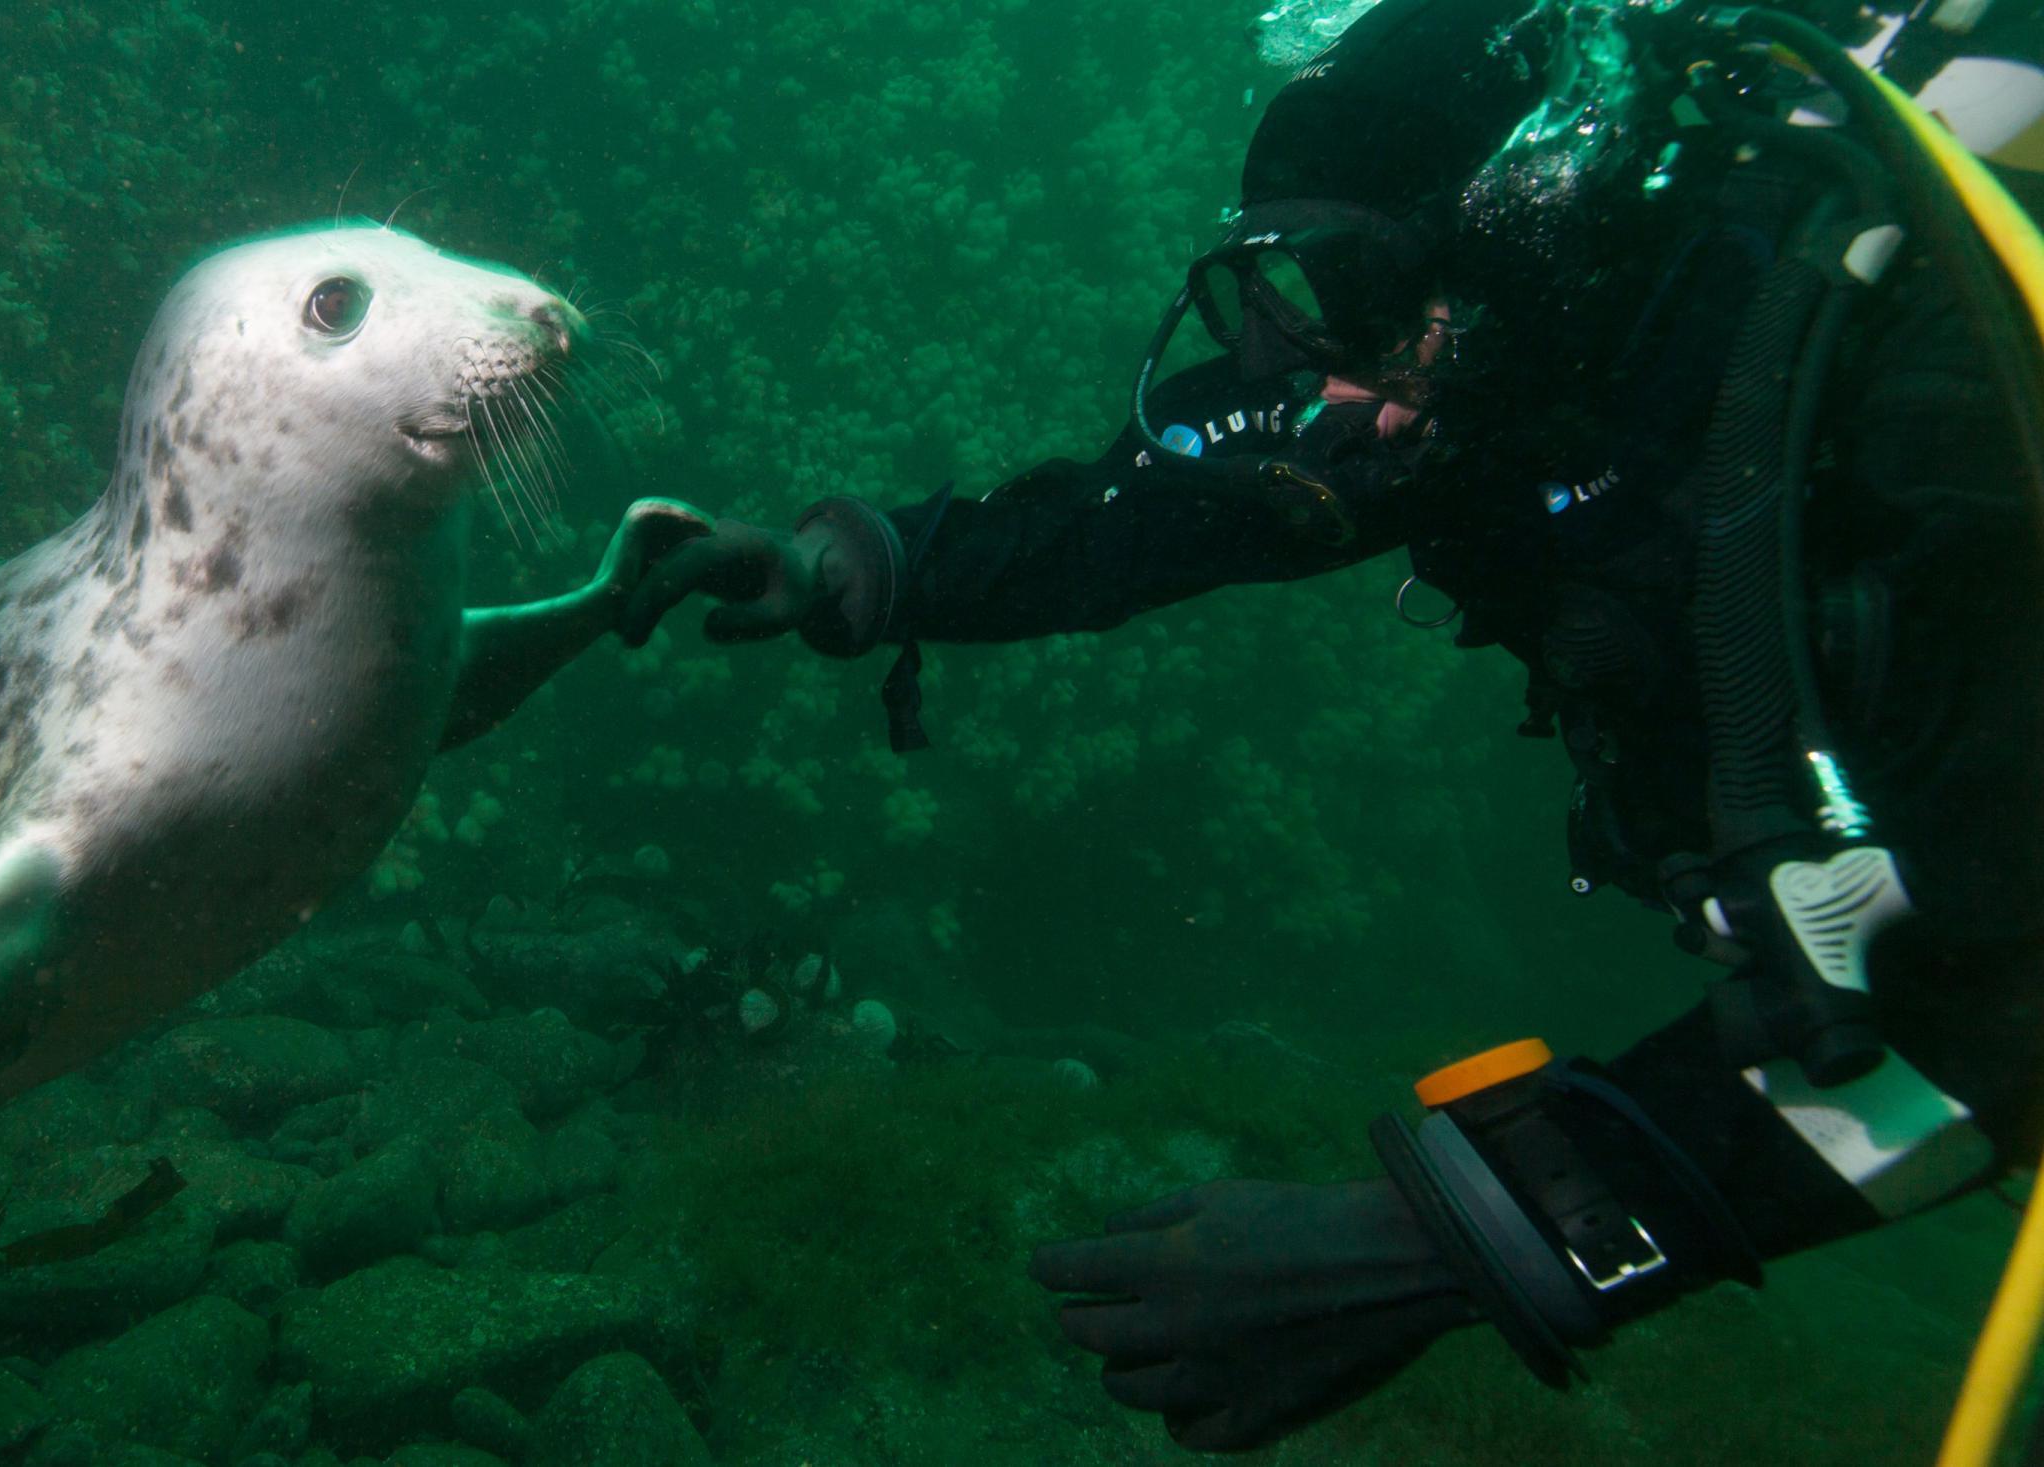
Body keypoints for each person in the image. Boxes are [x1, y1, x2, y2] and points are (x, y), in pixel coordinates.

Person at [616, 0, 2044, 1451]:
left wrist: (1443, 1239)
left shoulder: (1928, 390)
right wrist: (850, 569)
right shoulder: (1492, 370)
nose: (1314, 375)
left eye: (1350, 289)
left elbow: (1999, 1000)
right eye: (1283, 290)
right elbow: (1136, 523)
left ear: (1525, 229)